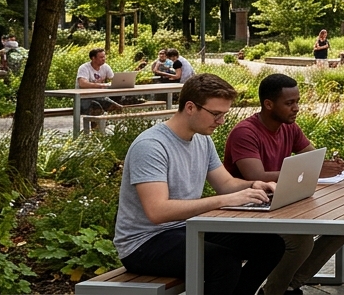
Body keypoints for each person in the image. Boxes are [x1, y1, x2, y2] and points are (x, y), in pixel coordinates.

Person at [114, 73, 285, 294]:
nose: (221, 121)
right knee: (224, 263)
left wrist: (255, 185)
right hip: (144, 243)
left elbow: (225, 183)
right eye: (215, 114)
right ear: (190, 107)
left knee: (271, 247)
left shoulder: (202, 139)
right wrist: (225, 200)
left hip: (187, 229)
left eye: (224, 114)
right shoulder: (151, 146)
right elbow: (157, 211)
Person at [224, 74, 344, 295]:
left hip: (283, 202)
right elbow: (257, 177)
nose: (296, 108)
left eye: (297, 101)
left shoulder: (289, 127)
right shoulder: (245, 133)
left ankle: (289, 285)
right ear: (268, 104)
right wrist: (316, 169)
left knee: (343, 227)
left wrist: (328, 165)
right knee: (301, 242)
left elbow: (312, 158)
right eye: (289, 103)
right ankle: (274, 292)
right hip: (249, 207)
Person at [78, 47, 123, 123]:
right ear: (93, 58)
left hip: (100, 97)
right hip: (84, 98)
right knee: (96, 109)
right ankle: (97, 132)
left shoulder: (105, 67)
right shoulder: (84, 68)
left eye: (104, 56)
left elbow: (114, 79)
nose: (104, 59)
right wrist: (101, 85)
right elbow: (82, 83)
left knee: (117, 108)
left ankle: (112, 128)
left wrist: (121, 82)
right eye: (101, 57)